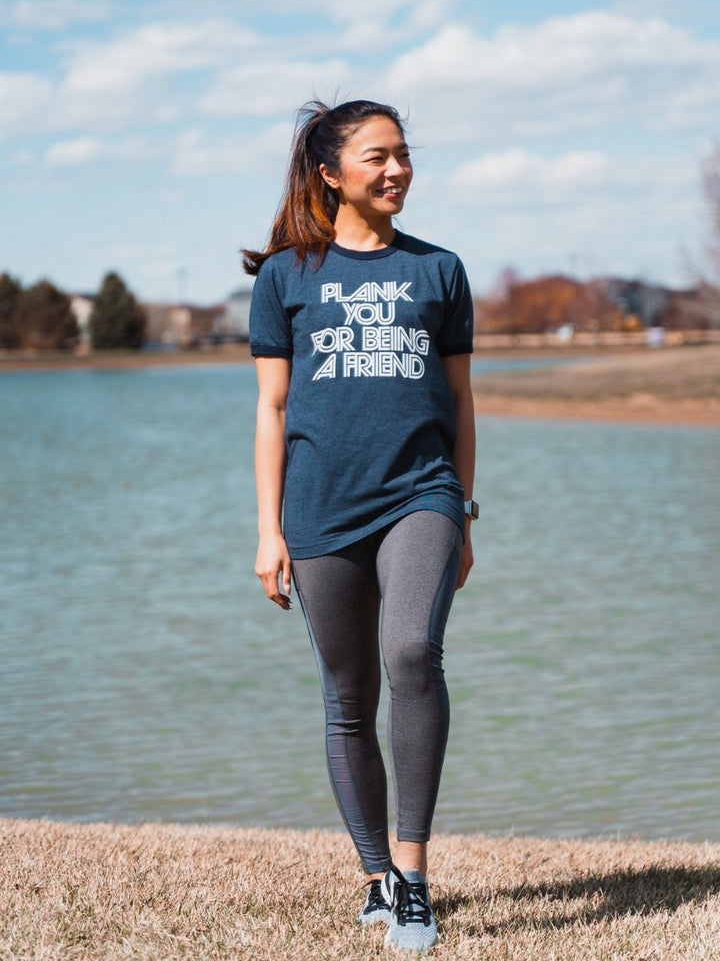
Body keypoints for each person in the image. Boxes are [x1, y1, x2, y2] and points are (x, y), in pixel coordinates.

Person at [245, 99, 476, 953]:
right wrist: (268, 530)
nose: (397, 169)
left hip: (422, 493)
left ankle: (413, 879)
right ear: (330, 173)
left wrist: (463, 511)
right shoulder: (285, 277)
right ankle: (375, 878)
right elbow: (272, 410)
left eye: (404, 154)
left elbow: (461, 402)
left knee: (412, 653)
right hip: (320, 508)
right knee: (349, 698)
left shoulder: (439, 270)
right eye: (378, 156)